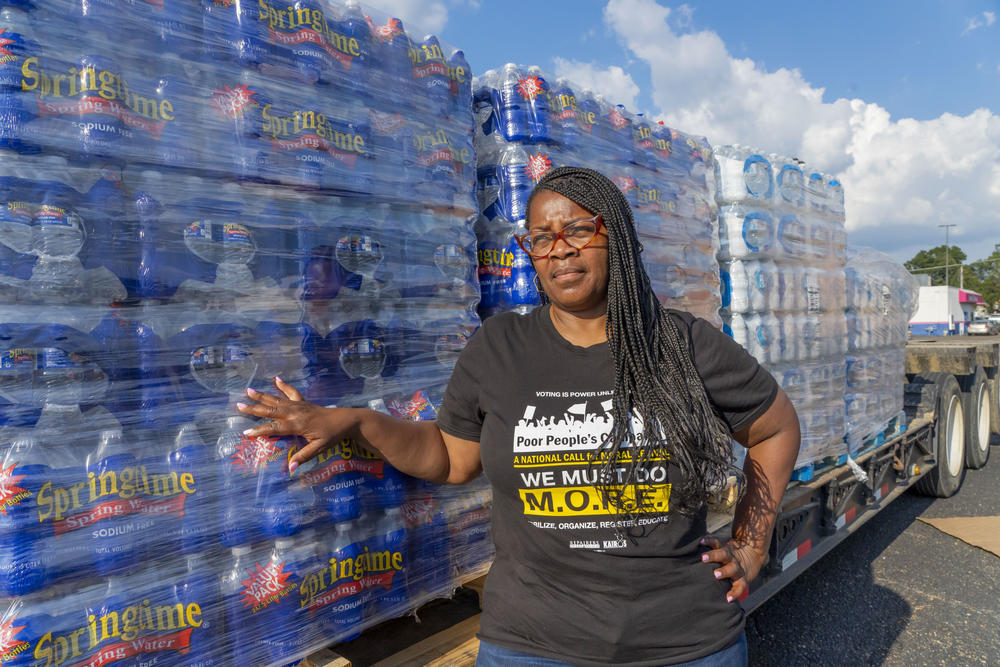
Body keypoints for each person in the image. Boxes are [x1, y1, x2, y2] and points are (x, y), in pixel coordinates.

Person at [238, 166, 801, 666]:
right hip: (532, 644)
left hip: (682, 644)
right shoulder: (499, 347)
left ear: (618, 238)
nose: (559, 249)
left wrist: (752, 545)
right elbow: (453, 458)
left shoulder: (682, 344)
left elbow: (775, 428)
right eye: (540, 238)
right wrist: (358, 422)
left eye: (579, 230)